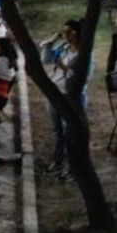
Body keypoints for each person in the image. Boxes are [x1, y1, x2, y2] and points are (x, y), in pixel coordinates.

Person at [39, 19, 90, 179]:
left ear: (76, 33)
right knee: (58, 132)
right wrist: (50, 42)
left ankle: (72, 168)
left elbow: (82, 78)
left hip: (71, 98)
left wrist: (65, 69)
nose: (65, 35)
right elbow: (46, 60)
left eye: (68, 32)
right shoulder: (64, 48)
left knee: (71, 134)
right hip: (56, 94)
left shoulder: (84, 56)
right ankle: (57, 162)